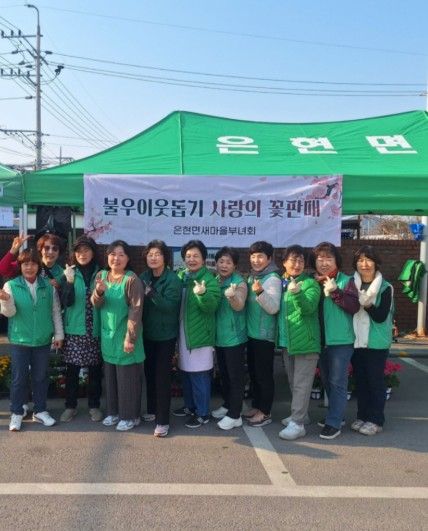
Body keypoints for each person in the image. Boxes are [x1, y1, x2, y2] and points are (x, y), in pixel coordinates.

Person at [0, 248, 63, 431]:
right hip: (20, 339)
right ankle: (17, 412)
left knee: (41, 377)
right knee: (19, 378)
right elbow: (9, 313)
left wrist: (59, 335)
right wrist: (6, 300)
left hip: (43, 339)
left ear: (38, 266)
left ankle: (40, 410)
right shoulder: (11, 285)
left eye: (33, 264)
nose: (29, 267)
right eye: (25, 264)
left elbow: (55, 312)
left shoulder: (48, 286)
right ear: (20, 266)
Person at [91, 240, 145, 432]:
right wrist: (99, 292)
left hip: (125, 335)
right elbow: (96, 304)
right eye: (113, 254)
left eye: (121, 254)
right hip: (108, 336)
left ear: (128, 258)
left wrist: (130, 337)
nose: (116, 258)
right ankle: (113, 412)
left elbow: (136, 310)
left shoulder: (131, 280)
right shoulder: (101, 276)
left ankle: (129, 416)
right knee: (111, 377)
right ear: (107, 256)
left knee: (127, 379)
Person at [312, 241, 359, 440]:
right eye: (320, 259)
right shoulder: (313, 282)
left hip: (341, 339)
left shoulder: (346, 281)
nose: (324, 263)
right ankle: (336, 415)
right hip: (320, 340)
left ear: (336, 261)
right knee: (326, 380)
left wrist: (335, 292)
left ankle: (334, 422)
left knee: (338, 381)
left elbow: (354, 306)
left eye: (328, 258)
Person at [174, 240, 221, 429]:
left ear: (203, 259)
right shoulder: (181, 276)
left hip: (200, 335)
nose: (191, 259)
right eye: (188, 256)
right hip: (183, 333)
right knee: (185, 373)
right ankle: (190, 406)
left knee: (199, 375)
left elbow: (212, 307)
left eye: (196, 256)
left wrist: (202, 294)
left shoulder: (209, 279)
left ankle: (202, 413)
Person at [277, 245, 321, 440]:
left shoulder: (310, 284)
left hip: (306, 343)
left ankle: (297, 424)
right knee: (294, 382)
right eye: (293, 260)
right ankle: (301, 415)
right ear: (284, 263)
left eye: (301, 260)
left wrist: (296, 293)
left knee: (302, 384)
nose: (297, 264)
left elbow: (308, 308)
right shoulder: (282, 282)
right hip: (288, 342)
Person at [140, 240, 182, 438]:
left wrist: (151, 294)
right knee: (149, 373)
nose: (153, 258)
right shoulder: (144, 276)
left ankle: (163, 421)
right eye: (150, 254)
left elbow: (170, 307)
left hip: (165, 336)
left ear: (165, 258)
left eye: (157, 254)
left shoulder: (172, 279)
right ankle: (152, 409)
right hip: (147, 333)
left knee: (162, 377)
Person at [59, 235, 103, 423]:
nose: (82, 254)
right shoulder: (69, 273)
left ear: (93, 252)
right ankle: (70, 407)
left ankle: (94, 406)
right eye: (78, 251)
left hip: (95, 329)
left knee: (95, 372)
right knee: (72, 372)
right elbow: (65, 302)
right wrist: (69, 282)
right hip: (74, 331)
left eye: (86, 250)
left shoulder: (101, 273)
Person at [351, 245, 394, 436]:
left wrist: (366, 304)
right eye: (360, 260)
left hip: (376, 341)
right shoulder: (352, 284)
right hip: (357, 340)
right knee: (361, 380)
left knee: (375, 381)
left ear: (376, 263)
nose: (365, 264)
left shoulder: (385, 287)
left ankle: (376, 419)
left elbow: (381, 316)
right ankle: (362, 415)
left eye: (369, 260)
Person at [245, 241, 282, 427]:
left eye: (260, 256)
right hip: (252, 334)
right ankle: (257, 406)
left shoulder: (272, 279)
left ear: (269, 258)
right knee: (254, 373)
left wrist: (260, 292)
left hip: (264, 336)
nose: (256, 260)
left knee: (263, 375)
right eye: (253, 256)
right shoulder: (253, 277)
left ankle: (265, 412)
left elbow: (273, 308)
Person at [212, 247, 247, 430]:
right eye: (221, 261)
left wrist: (232, 297)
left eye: (228, 262)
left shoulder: (239, 283)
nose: (224, 265)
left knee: (235, 377)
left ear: (235, 266)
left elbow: (239, 305)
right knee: (224, 374)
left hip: (234, 337)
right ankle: (227, 405)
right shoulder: (214, 281)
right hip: (219, 337)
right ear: (216, 263)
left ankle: (235, 415)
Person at [0, 233, 65, 287]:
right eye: (46, 248)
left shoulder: (63, 273)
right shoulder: (28, 264)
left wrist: (58, 288)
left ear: (59, 252)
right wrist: (13, 250)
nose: (50, 252)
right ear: (40, 249)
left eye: (55, 249)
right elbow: (3, 269)